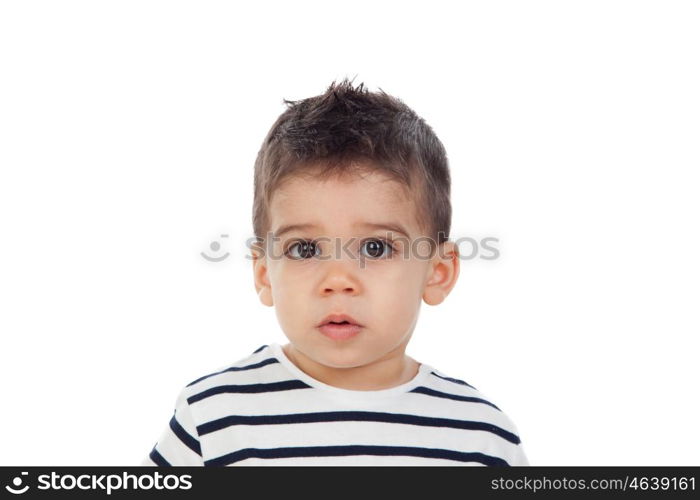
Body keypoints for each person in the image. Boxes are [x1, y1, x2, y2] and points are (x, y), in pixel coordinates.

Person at [142, 78, 529, 466]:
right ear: (264, 273)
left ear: (437, 272)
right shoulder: (213, 418)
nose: (338, 280)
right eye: (304, 249)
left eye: (376, 248)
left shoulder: (481, 437)